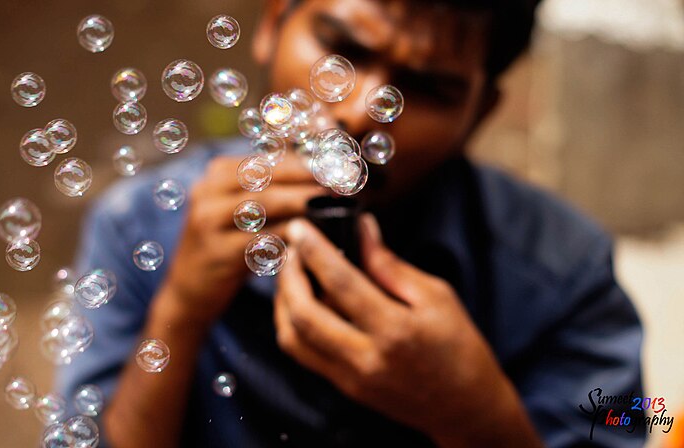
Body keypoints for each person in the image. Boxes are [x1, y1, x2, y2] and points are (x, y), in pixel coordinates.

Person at [58, 0, 645, 446]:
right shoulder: (141, 225)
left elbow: (645, 417)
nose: (361, 111)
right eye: (343, 52)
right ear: (271, 23)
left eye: (426, 89)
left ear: (479, 113)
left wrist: (481, 421)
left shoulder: (567, 271)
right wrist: (179, 312)